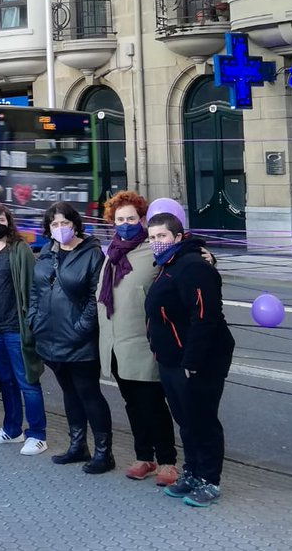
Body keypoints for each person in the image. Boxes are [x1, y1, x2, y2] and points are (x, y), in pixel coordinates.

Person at [144, 213, 235, 507]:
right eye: (152, 237)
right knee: (186, 421)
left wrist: (191, 362)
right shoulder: (168, 264)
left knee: (203, 421)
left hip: (198, 361)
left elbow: (205, 317)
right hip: (171, 358)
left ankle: (210, 479)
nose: (156, 242)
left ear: (178, 237)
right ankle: (193, 472)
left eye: (162, 236)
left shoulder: (193, 267)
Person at [96, 190, 178, 484]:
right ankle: (144, 456)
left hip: (143, 344)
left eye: (131, 218)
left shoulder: (152, 248)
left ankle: (168, 460)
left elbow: (181, 261)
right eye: (120, 219)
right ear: (112, 222)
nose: (126, 223)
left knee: (154, 404)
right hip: (116, 344)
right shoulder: (112, 254)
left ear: (142, 219)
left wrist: (207, 256)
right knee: (132, 404)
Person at [30, 201, 113, 473]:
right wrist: (34, 320)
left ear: (75, 224)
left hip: (79, 340)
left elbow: (94, 297)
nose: (60, 228)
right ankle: (78, 445)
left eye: (65, 222)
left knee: (89, 393)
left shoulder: (92, 253)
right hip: (49, 337)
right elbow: (36, 290)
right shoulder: (46, 252)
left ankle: (104, 452)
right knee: (69, 393)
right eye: (54, 224)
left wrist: (80, 329)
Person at [0, 203, 47, 456]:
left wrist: (30, 321)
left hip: (17, 328)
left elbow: (32, 287)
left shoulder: (19, 250)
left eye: (1, 219)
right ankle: (11, 429)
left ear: (8, 221)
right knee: (6, 383)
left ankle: (37, 434)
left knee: (27, 381)